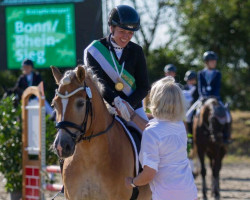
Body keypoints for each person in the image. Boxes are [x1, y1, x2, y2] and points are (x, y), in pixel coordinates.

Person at [124, 76, 198, 200]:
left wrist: (132, 182)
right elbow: (156, 127)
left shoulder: (151, 132)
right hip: (189, 192)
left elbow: (149, 174)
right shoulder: (179, 125)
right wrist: (132, 115)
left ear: (157, 100)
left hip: (166, 195)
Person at [84, 5, 150, 122]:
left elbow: (144, 87)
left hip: (133, 107)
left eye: (130, 32)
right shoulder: (94, 51)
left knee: (147, 136)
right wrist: (116, 101)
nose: (126, 36)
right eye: (122, 31)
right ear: (111, 28)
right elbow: (98, 82)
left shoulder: (137, 51)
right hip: (104, 104)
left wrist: (128, 105)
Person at [186, 51, 232, 143]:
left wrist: (213, 97)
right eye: (212, 61)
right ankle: (191, 136)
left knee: (227, 115)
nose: (214, 62)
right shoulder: (201, 73)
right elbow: (200, 87)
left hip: (215, 98)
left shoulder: (218, 73)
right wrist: (204, 97)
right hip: (203, 98)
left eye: (215, 61)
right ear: (206, 62)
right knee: (188, 115)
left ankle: (226, 136)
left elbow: (217, 87)